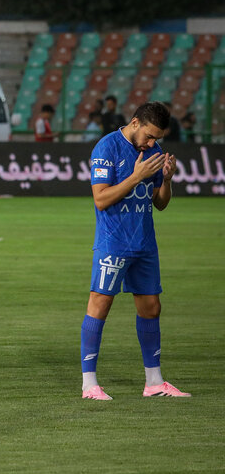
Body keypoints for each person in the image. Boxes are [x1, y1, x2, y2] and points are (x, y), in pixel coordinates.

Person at [80, 102, 189, 400]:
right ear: (136, 122)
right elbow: (101, 199)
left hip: (144, 243)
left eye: (157, 138)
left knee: (151, 307)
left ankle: (154, 382)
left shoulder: (153, 152)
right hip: (113, 242)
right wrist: (135, 177)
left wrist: (167, 180)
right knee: (100, 304)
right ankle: (89, 385)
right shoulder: (107, 148)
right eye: (150, 136)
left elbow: (160, 203)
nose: (152, 143)